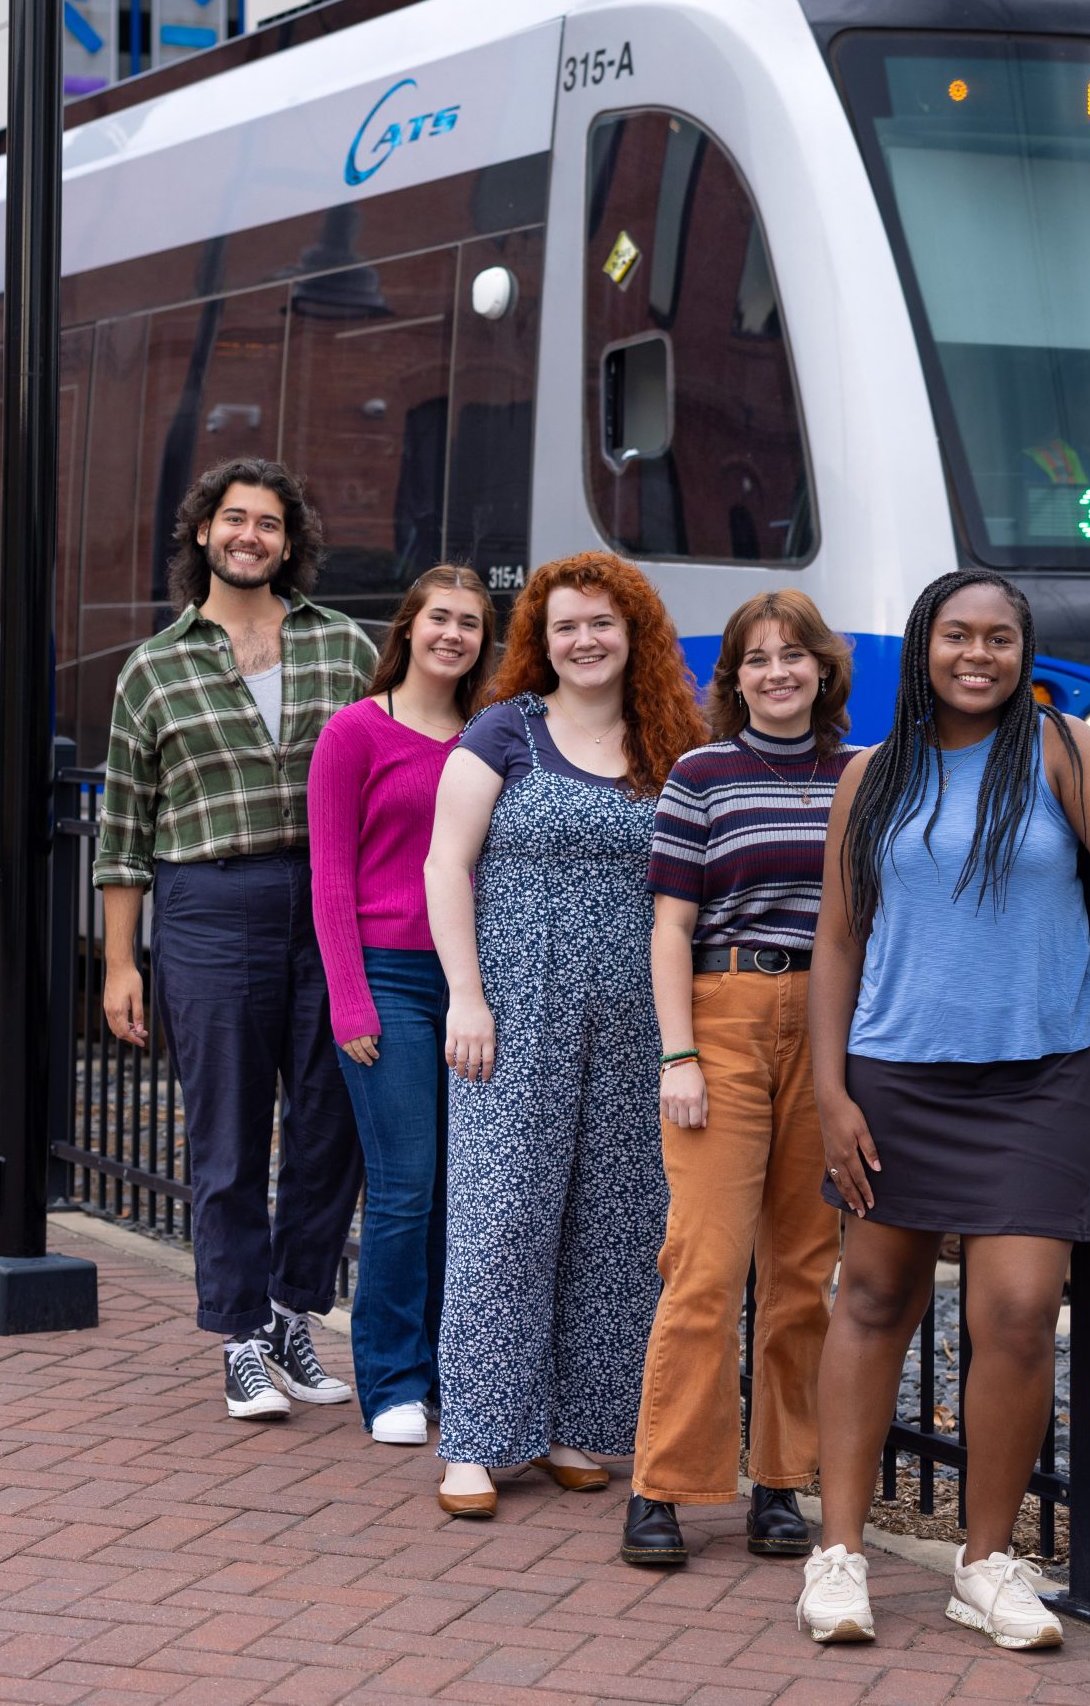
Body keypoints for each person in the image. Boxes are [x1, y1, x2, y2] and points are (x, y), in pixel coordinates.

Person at [797, 569, 1090, 1652]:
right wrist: (830, 1091)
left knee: (1018, 1314)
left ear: (1023, 656)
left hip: (1037, 1075)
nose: (975, 656)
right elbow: (838, 938)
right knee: (874, 1300)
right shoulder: (871, 776)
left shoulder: (1066, 753)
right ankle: (835, 1554)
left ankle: (984, 1563)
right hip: (896, 1073)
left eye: (998, 640)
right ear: (922, 646)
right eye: (953, 636)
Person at [424, 552, 707, 1519]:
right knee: (502, 1219)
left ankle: (582, 1427)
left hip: (636, 1015)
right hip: (515, 1011)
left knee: (618, 1223)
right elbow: (443, 866)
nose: (585, 641)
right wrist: (466, 993)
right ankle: (475, 1437)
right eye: (565, 627)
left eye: (602, 623)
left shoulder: (672, 742)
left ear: (636, 634)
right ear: (542, 646)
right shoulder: (504, 732)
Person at [94, 457, 376, 1422]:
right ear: (203, 535)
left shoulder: (345, 650)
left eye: (268, 523)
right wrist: (120, 963)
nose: (249, 536)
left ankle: (295, 1313)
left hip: (330, 903)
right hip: (210, 905)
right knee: (226, 1135)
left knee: (330, 1126)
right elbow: (124, 832)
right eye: (233, 520)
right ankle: (241, 1338)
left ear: (289, 543)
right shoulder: (154, 668)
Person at [622, 592, 856, 1570]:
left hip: (830, 1025)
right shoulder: (699, 775)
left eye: (792, 655)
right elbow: (669, 927)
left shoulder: (862, 774)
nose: (775, 673)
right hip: (722, 1016)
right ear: (732, 678)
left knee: (801, 1272)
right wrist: (676, 1054)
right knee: (705, 1264)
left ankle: (777, 1486)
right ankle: (663, 1488)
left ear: (822, 669)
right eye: (754, 660)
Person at [308, 565, 495, 1447]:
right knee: (403, 1187)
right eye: (439, 619)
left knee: (465, 1192)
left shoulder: (491, 737)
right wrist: (351, 1001)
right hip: (387, 979)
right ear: (409, 629)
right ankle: (390, 1381)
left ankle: (451, 1370)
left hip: (473, 987)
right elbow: (330, 878)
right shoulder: (355, 732)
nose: (453, 634)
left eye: (469, 623)